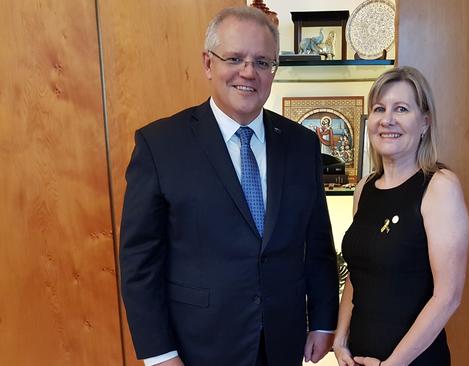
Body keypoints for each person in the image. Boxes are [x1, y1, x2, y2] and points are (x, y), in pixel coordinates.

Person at [119, 7, 338, 366]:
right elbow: (140, 262)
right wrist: (159, 353)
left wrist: (324, 320)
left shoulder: (302, 144)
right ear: (208, 63)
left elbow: (318, 244)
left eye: (262, 62)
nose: (248, 73)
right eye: (234, 58)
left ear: (273, 71)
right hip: (197, 346)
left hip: (284, 342)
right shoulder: (160, 145)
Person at [333, 66, 469, 366]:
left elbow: (448, 296)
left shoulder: (439, 187)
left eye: (402, 109)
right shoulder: (364, 189)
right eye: (380, 108)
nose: (387, 120)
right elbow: (357, 275)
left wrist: (393, 364)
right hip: (357, 359)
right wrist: (340, 340)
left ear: (425, 122)